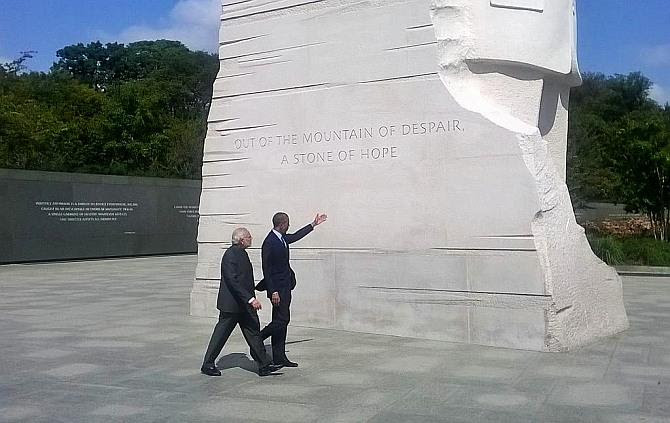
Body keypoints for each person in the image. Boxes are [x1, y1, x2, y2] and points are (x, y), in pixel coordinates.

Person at [200, 227, 280, 377]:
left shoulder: (241, 253)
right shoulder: (230, 255)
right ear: (242, 240)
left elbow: (243, 279)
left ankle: (264, 365)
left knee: (254, 333)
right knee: (221, 334)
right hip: (232, 305)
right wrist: (250, 299)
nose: (251, 238)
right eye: (249, 237)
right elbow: (232, 281)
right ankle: (208, 364)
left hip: (244, 305)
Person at [258, 212, 327, 367]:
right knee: (282, 320)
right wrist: (273, 291)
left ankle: (279, 356)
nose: (289, 226)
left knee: (281, 321)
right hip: (277, 290)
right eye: (287, 223)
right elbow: (266, 269)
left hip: (286, 286)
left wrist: (313, 224)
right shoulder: (269, 242)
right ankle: (258, 337)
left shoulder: (282, 238)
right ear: (282, 224)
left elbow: (295, 236)